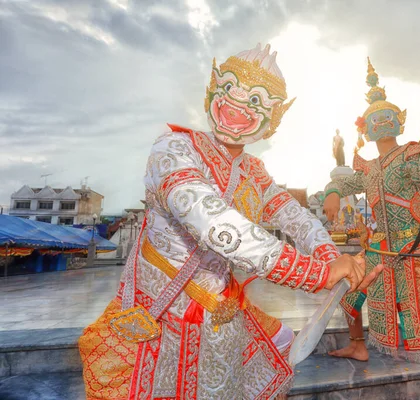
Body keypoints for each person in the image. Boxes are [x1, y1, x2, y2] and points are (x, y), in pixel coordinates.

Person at [78, 43, 382, 400]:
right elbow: (212, 221)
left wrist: (333, 258)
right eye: (229, 91)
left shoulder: (253, 171)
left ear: (273, 120)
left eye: (256, 101)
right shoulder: (174, 148)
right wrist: (316, 274)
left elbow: (295, 216)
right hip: (160, 313)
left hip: (220, 312)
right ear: (213, 92)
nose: (238, 106)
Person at [323, 58, 420, 400]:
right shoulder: (368, 169)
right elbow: (345, 185)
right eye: (374, 119)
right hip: (379, 253)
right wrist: (331, 192)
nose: (381, 121)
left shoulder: (413, 156)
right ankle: (358, 346)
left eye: (388, 116)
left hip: (419, 254)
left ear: (400, 122)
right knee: (349, 296)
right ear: (365, 128)